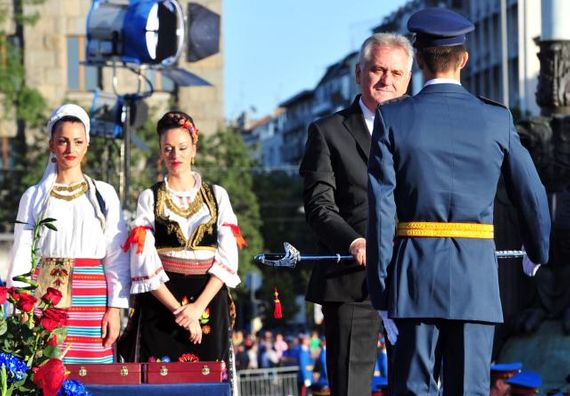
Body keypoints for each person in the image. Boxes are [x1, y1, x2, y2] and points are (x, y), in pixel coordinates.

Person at [366, 7, 551, 396]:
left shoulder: (393, 118)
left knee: (414, 389)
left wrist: (382, 293)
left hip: (413, 278)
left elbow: (381, 211)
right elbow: (531, 194)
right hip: (476, 278)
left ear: (418, 62)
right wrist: (537, 251)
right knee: (469, 390)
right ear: (463, 59)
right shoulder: (496, 119)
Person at [299, 32, 413, 396]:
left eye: (396, 73)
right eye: (378, 70)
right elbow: (319, 206)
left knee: (415, 385)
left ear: (409, 79)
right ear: (358, 72)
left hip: (412, 277)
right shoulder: (327, 131)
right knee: (351, 388)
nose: (387, 81)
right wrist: (354, 240)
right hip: (350, 279)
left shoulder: (422, 127)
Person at [7, 103, 130, 364]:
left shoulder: (104, 195)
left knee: (95, 375)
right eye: (63, 141)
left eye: (77, 141)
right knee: (47, 372)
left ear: (87, 145)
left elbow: (116, 254)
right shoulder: (34, 197)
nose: (70, 149)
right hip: (47, 297)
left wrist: (115, 308)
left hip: (94, 300)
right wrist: (22, 307)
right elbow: (21, 255)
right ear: (52, 145)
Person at [122, 111, 241, 364]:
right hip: (163, 301)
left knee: (208, 378)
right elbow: (143, 261)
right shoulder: (149, 198)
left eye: (182, 147)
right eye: (168, 148)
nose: (175, 155)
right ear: (160, 151)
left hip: (208, 299)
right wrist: (180, 311)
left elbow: (228, 255)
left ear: (194, 148)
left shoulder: (217, 195)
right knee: (161, 378)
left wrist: (197, 309)